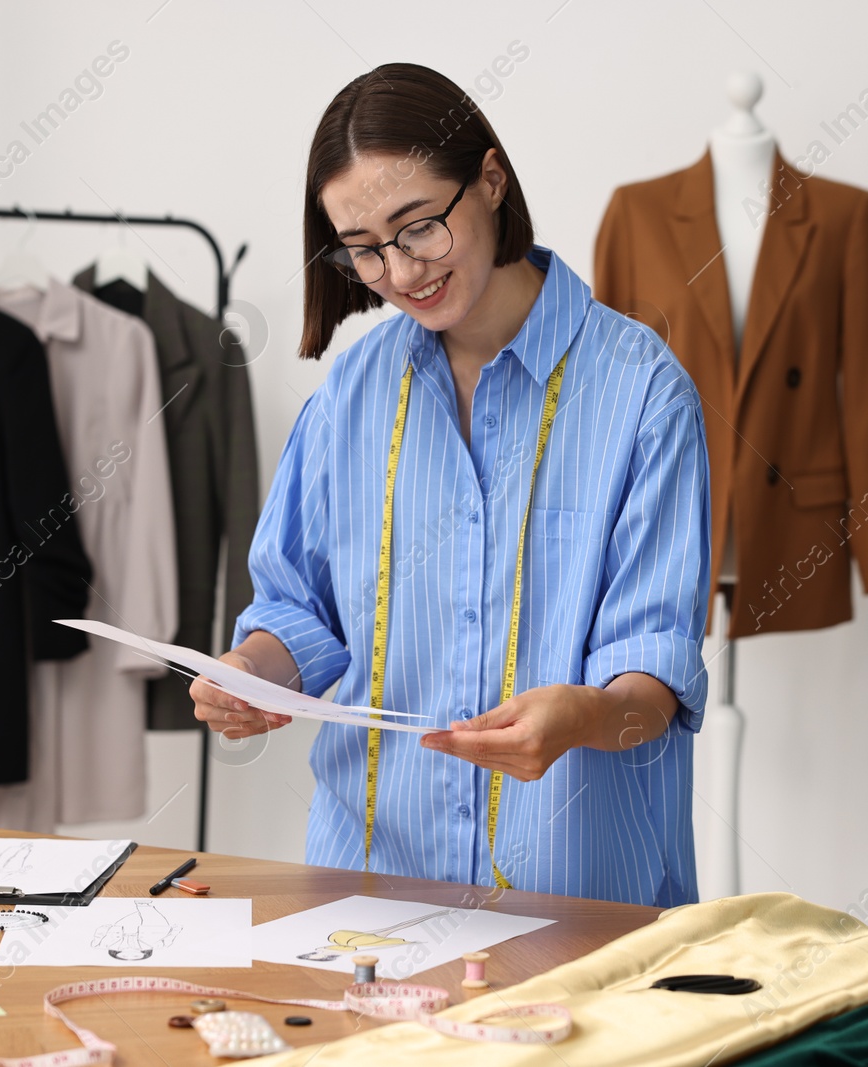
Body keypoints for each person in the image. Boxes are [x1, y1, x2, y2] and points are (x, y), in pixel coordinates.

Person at [190, 62, 711, 907]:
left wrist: (577, 718)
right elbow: (298, 611)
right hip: (371, 894)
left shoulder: (641, 391)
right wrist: (249, 673)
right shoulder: (351, 395)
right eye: (363, 249)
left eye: (419, 227)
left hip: (580, 896)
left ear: (491, 180)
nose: (399, 272)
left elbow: (651, 683)